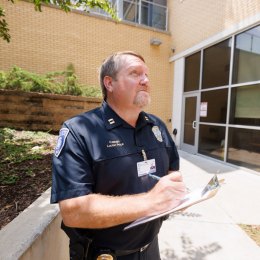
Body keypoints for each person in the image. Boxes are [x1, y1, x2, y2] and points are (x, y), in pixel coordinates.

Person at [51, 51, 187, 260]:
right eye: (135, 73)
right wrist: (151, 201)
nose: (145, 80)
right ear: (109, 83)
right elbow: (73, 211)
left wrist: (174, 191)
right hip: (103, 256)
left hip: (151, 249)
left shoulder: (157, 126)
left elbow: (172, 171)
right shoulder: (79, 131)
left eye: (147, 75)